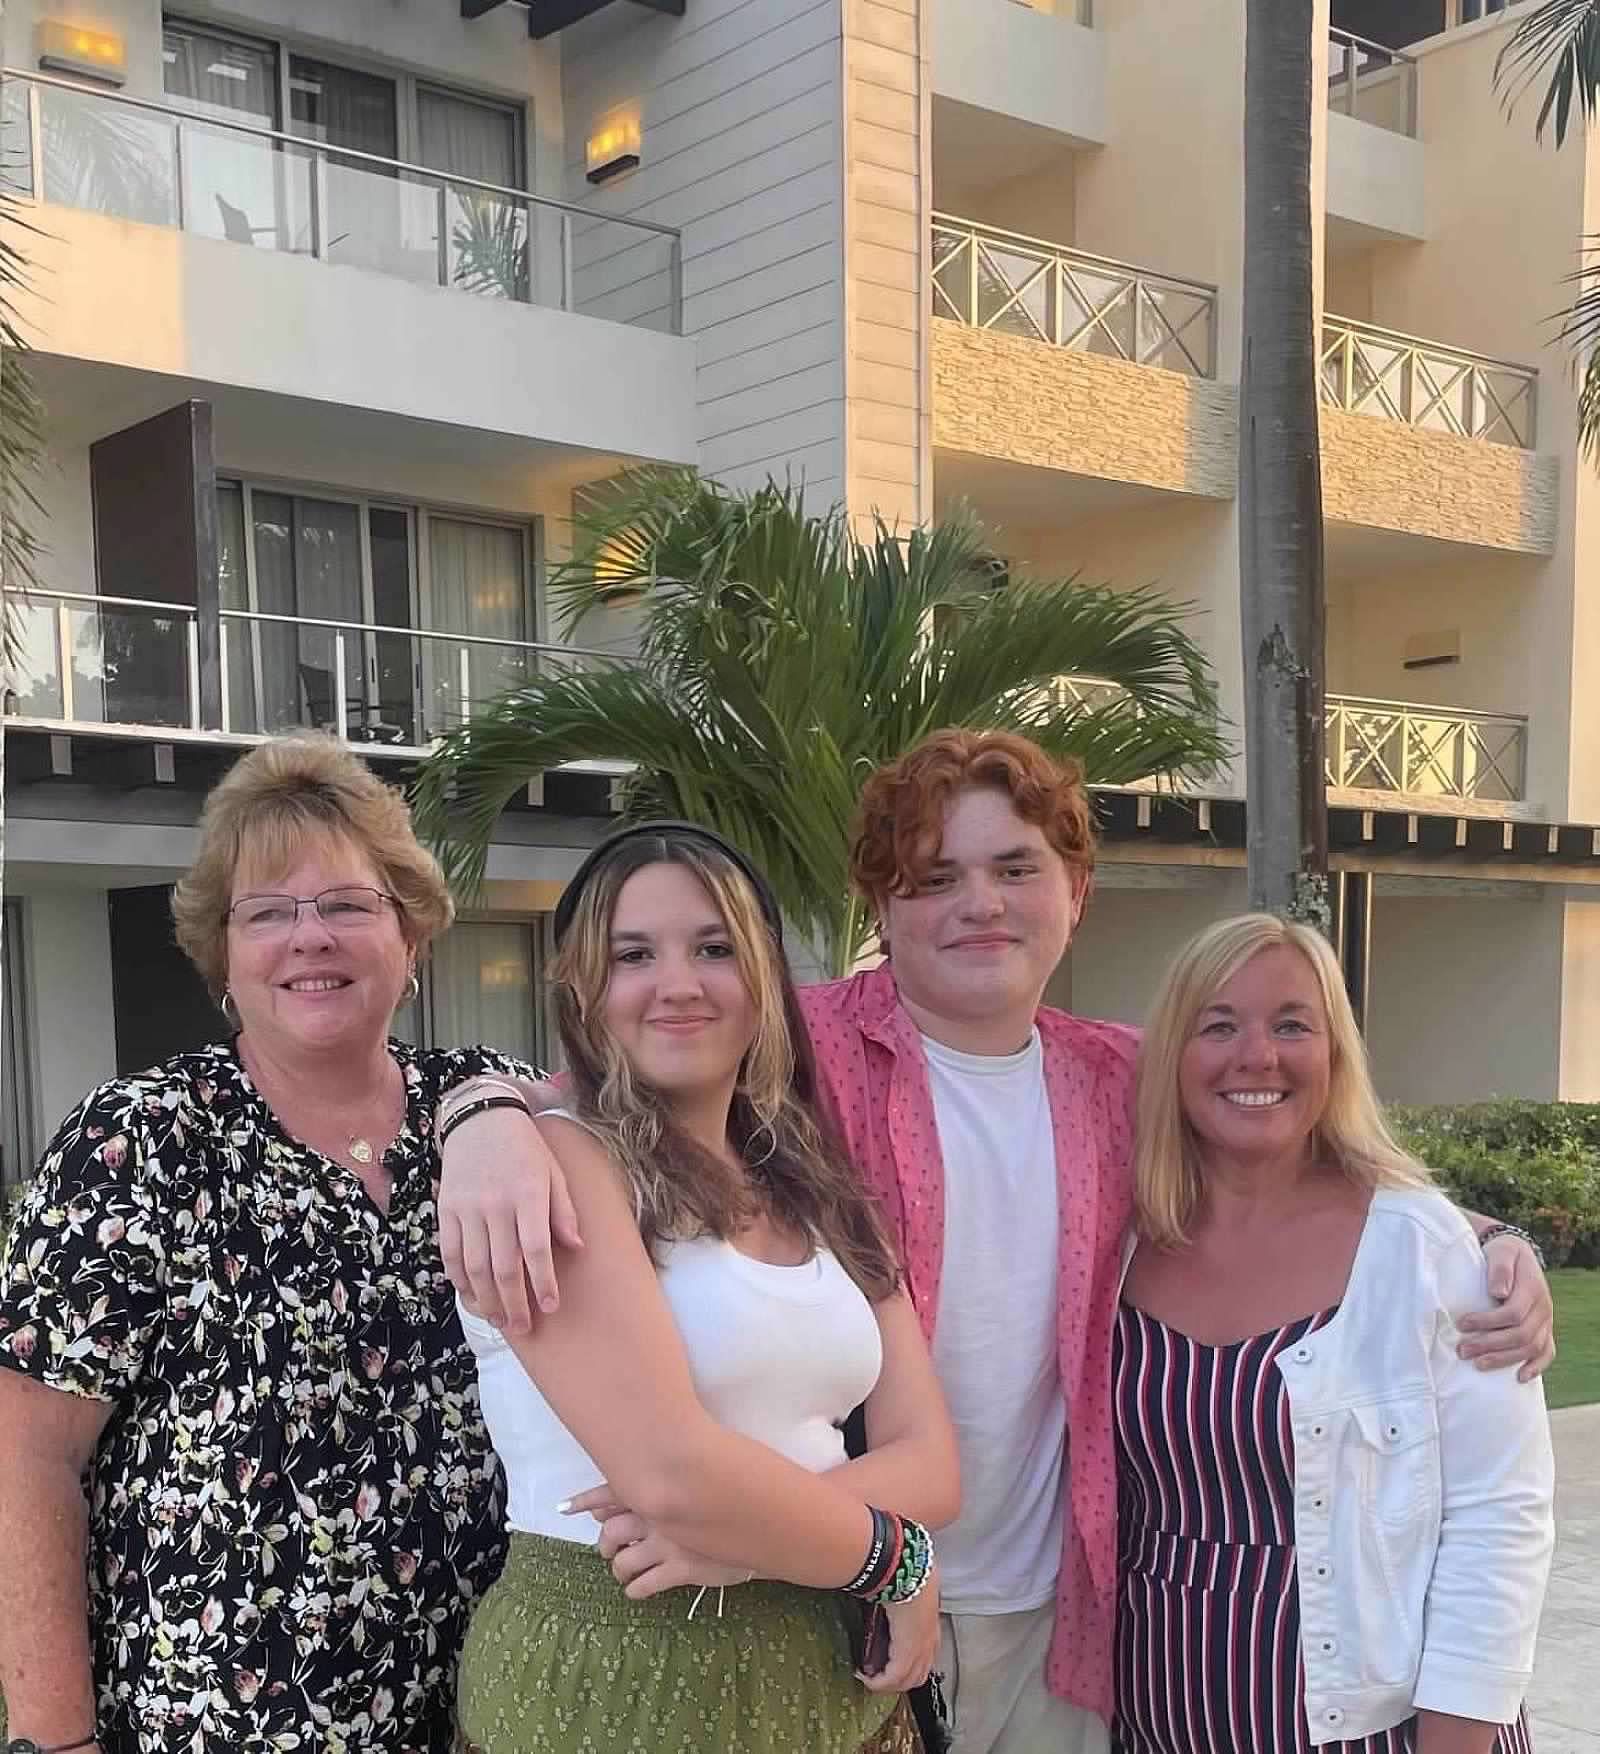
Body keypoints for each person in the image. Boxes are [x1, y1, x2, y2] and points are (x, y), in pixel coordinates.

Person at [437, 728, 1557, 1754]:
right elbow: (594, 1081)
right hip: (826, 1605)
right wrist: (479, 1116)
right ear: (883, 904)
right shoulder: (794, 1048)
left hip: (1060, 1602)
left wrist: (1490, 1237)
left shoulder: (1125, 1075)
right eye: (932, 876)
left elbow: (1297, 1137)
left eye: (1014, 867)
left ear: (1075, 890)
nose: (979, 903)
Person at [0, 735, 575, 1754]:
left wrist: (493, 1103)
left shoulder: (487, 1103)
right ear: (222, 951)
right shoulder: (140, 1138)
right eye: (267, 911)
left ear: (413, 935)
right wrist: (57, 1734)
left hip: (496, 1709)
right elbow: (28, 1452)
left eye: (349, 904)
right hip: (219, 1721)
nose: (309, 937)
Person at [445, 821, 957, 1752]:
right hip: (610, 1676)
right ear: (586, 990)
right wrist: (894, 1555)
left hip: (827, 1674)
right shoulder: (558, 1164)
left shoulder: (823, 1188)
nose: (677, 983)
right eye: (633, 954)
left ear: (762, 980)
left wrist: (748, 1533)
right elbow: (670, 1473)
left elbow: (933, 1462)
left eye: (714, 949)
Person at [1115, 912, 1555, 1753]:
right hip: (1161, 1716)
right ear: (1172, 1052)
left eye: (1292, 1025)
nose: (1258, 1056)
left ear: (1335, 1054)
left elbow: (1501, 1521)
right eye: (1219, 1026)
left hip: (1376, 1732)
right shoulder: (1120, 1239)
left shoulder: (1423, 1252)